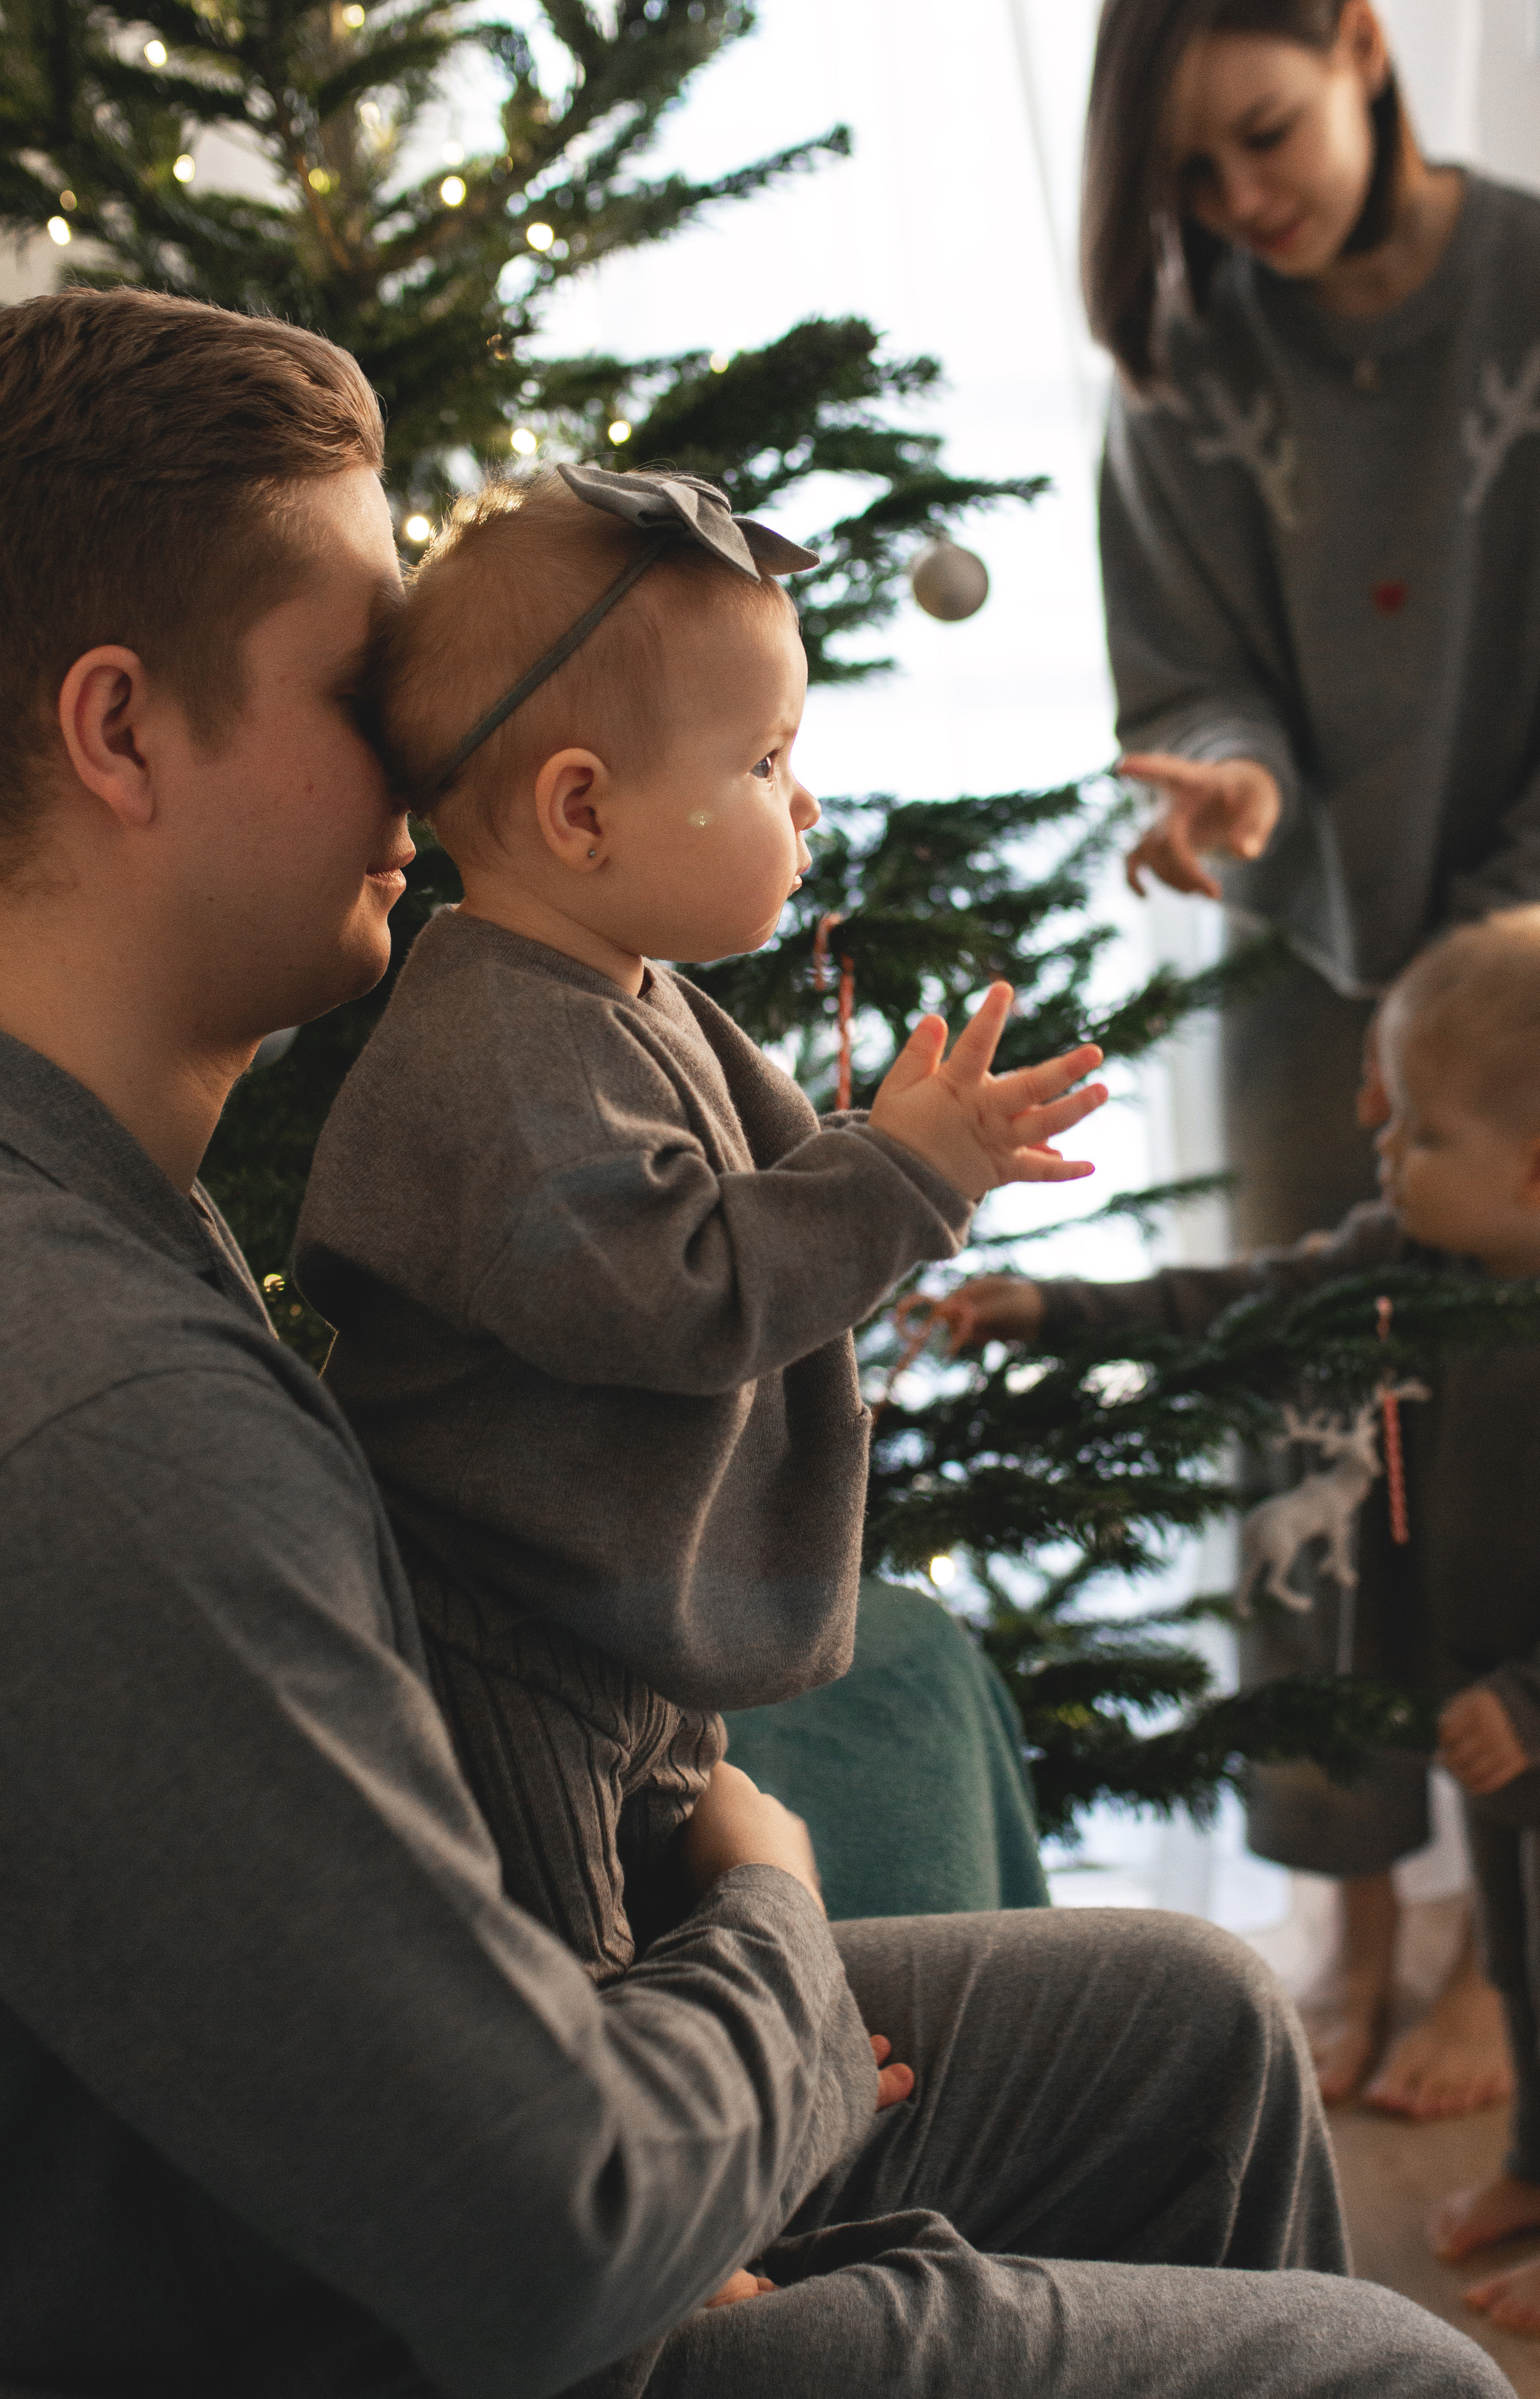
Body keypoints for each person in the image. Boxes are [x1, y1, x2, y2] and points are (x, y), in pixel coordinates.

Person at [0, 280, 1513, 2399]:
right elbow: (549, 2237)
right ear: (121, 729)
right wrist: (775, 1942)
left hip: (481, 2133)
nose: (440, 741)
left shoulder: (119, 1206)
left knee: (1188, 2025)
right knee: (1405, 2378)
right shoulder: (94, 1411)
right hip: (418, 2321)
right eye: (371, 675)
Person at [292, 464, 1106, 1985]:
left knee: (668, 1859)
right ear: (581, 807)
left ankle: (747, 2051)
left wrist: (923, 1149)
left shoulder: (625, 991)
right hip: (499, 1635)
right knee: (563, 1964)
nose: (803, 802)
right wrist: (897, 1179)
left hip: (613, 1612)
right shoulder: (502, 1053)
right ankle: (691, 2151)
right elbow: (672, 1293)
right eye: (765, 760)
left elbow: (769, 1189)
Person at [1079, 0, 1540, 2115]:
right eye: (1190, 175)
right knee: (1309, 1469)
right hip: (1309, 988)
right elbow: (1195, 668)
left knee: (1531, 1474)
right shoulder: (1195, 361)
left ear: (1369, 46)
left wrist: (1497, 962)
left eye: (1264, 135)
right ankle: (1352, 1920)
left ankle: (1507, 1946)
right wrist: (1236, 790)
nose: (1238, 204)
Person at [933, 903, 1540, 2338]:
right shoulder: (1408, 1264)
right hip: (1490, 1709)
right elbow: (1239, 1300)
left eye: (1414, 1135)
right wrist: (1053, 1308)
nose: (1378, 1151)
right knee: (1527, 1956)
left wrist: (1536, 1701)